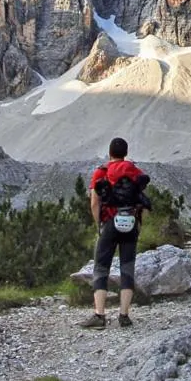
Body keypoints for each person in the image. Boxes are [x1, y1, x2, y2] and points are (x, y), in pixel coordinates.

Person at [80, 137, 150, 328]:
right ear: (125, 153)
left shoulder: (101, 172)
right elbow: (140, 198)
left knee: (101, 267)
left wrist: (100, 224)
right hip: (131, 223)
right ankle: (124, 315)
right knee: (127, 268)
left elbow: (94, 202)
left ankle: (100, 315)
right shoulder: (135, 171)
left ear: (110, 153)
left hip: (109, 223)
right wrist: (137, 222)